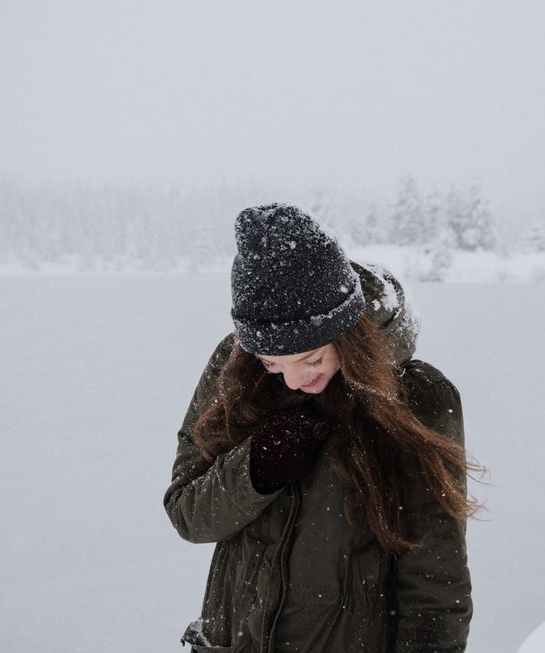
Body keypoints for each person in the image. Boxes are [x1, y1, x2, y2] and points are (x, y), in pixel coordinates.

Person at [164, 203, 476, 652]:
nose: (294, 379)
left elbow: (435, 588)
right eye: (273, 362)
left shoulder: (417, 398)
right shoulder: (234, 370)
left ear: (349, 334)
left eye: (312, 359)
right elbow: (187, 514)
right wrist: (255, 470)